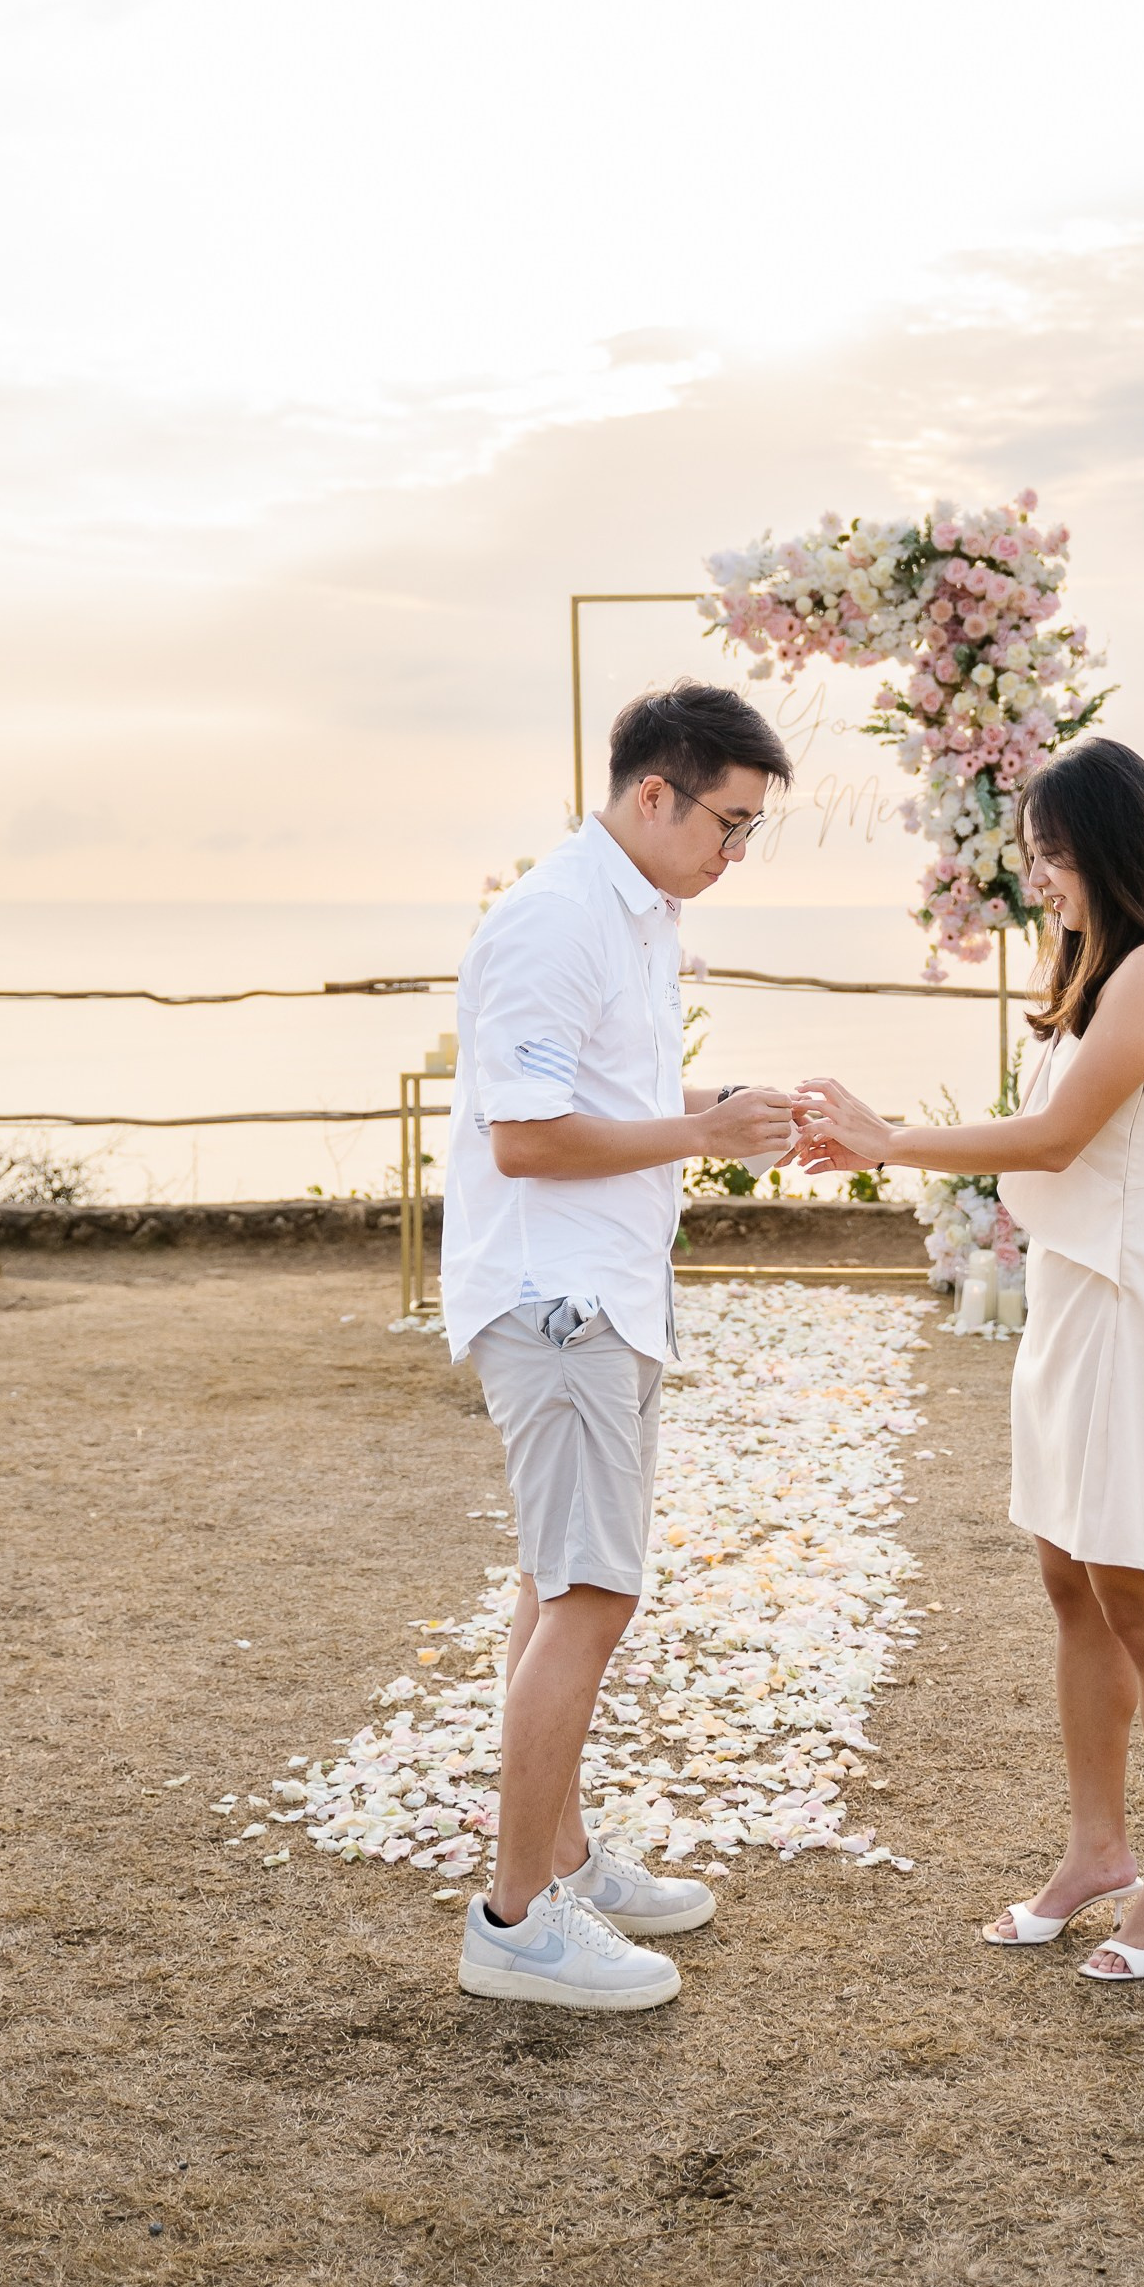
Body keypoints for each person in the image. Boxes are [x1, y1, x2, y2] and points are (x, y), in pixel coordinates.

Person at [795, 735, 1144, 1984]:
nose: (1034, 876)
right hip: (1064, 1300)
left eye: (1048, 854)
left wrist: (884, 1141)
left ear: (1103, 845)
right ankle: (1097, 1848)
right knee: (1069, 1581)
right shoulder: (1090, 969)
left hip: (1125, 1306)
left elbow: (1051, 1140)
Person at [442, 679, 798, 2011]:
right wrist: (700, 1134)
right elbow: (525, 1140)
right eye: (731, 821)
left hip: (601, 1295)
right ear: (655, 792)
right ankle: (516, 1921)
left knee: (556, 1585)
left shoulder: (639, 918)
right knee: (591, 1595)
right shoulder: (556, 919)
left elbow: (614, 1104)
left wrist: (729, 1107)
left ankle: (566, 1862)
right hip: (558, 1302)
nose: (736, 852)